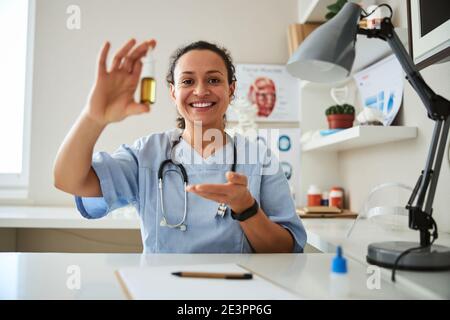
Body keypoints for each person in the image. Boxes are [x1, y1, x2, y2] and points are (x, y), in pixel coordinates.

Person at [53, 38, 306, 253]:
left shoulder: (259, 157)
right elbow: (69, 180)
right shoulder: (147, 154)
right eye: (187, 81)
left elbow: (286, 249)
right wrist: (93, 117)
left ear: (231, 89)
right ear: (173, 93)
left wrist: (247, 209)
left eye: (214, 80)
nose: (200, 90)